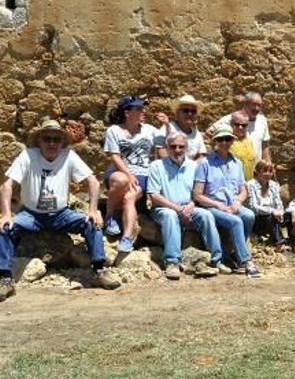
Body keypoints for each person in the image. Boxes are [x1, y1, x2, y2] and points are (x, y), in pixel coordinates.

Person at [0, 119, 120, 301]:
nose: (52, 143)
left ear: (62, 142)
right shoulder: (28, 156)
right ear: (39, 141)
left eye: (56, 139)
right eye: (47, 139)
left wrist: (93, 210)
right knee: (5, 227)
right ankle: (5, 279)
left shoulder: (68, 156)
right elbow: (7, 185)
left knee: (92, 223)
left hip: (61, 214)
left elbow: (93, 182)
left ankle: (98, 270)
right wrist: (7, 214)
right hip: (31, 214)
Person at [147, 132, 224, 280]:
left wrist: (191, 204)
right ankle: (172, 262)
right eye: (173, 146)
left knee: (206, 215)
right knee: (170, 216)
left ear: (186, 148)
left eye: (181, 147)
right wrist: (178, 209)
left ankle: (216, 260)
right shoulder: (156, 166)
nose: (177, 150)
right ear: (166, 147)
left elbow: (197, 193)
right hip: (163, 208)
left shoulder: (194, 166)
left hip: (187, 207)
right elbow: (154, 196)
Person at [193, 124, 261, 278]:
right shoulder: (205, 163)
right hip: (212, 206)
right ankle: (246, 262)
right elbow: (197, 195)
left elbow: (243, 190)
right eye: (221, 139)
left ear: (232, 141)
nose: (225, 142)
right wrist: (218, 205)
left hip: (232, 205)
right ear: (215, 141)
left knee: (249, 215)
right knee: (236, 222)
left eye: (228, 139)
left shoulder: (237, 163)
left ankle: (235, 252)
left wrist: (238, 202)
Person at [104, 95, 160, 253]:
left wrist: (167, 125)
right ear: (127, 113)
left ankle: (127, 237)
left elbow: (169, 140)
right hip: (118, 171)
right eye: (139, 108)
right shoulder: (114, 131)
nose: (143, 111)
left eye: (143, 108)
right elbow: (114, 156)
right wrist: (128, 174)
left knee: (129, 197)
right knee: (121, 180)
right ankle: (110, 216)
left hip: (142, 174)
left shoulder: (150, 130)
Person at [247, 160, 295, 252]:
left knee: (290, 215)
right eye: (265, 171)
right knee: (271, 216)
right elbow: (253, 207)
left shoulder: (274, 185)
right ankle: (280, 244)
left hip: (274, 218)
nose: (268, 174)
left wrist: (280, 212)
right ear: (257, 172)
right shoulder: (250, 185)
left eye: (270, 171)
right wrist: (272, 211)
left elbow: (278, 203)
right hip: (258, 220)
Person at [210, 91, 271, 162]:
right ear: (245, 104)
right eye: (254, 104)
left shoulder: (262, 121)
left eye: (259, 105)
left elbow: (264, 145)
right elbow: (210, 132)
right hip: (232, 166)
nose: (256, 108)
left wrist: (267, 162)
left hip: (254, 167)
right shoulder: (232, 118)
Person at [155, 94, 207, 161]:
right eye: (185, 110)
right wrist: (175, 165)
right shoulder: (167, 128)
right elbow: (161, 151)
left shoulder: (196, 133)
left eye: (193, 111)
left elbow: (201, 154)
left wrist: (192, 166)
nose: (190, 114)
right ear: (177, 113)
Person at [228, 111, 258, 182]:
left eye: (244, 125)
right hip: (233, 184)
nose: (240, 127)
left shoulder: (249, 141)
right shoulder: (226, 141)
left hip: (249, 184)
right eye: (237, 124)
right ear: (231, 124)